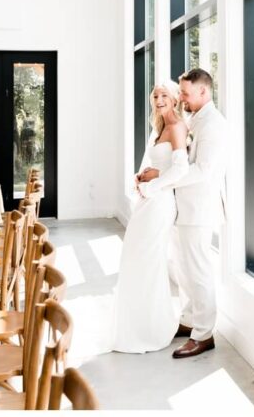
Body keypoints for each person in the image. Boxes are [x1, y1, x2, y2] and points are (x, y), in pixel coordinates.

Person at [137, 67, 226, 359]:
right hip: (180, 208)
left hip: (198, 210)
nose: (181, 97)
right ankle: (189, 320)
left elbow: (202, 170)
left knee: (198, 271)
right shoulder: (193, 119)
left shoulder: (212, 124)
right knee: (183, 270)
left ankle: (204, 335)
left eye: (185, 93)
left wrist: (160, 180)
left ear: (204, 91)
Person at [111, 81, 187, 353]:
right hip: (148, 201)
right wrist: (141, 176)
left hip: (160, 203)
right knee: (134, 258)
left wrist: (152, 186)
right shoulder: (160, 128)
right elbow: (156, 166)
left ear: (175, 98)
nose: (158, 99)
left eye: (164, 94)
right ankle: (135, 323)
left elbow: (180, 169)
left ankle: (151, 329)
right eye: (155, 95)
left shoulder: (177, 127)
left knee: (149, 260)